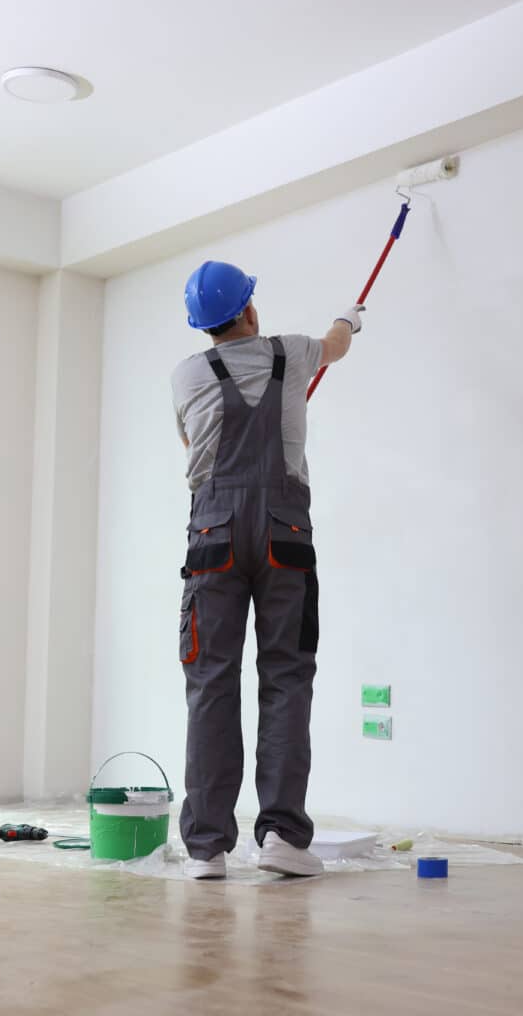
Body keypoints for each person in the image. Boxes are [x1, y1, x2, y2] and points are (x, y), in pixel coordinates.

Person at [172, 260, 363, 879]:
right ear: (250, 310)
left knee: (211, 683)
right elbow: (336, 345)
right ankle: (281, 837)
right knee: (286, 678)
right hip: (285, 535)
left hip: (214, 536)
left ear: (203, 325)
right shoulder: (294, 353)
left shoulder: (186, 375)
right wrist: (349, 319)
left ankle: (207, 849)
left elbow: (194, 449)